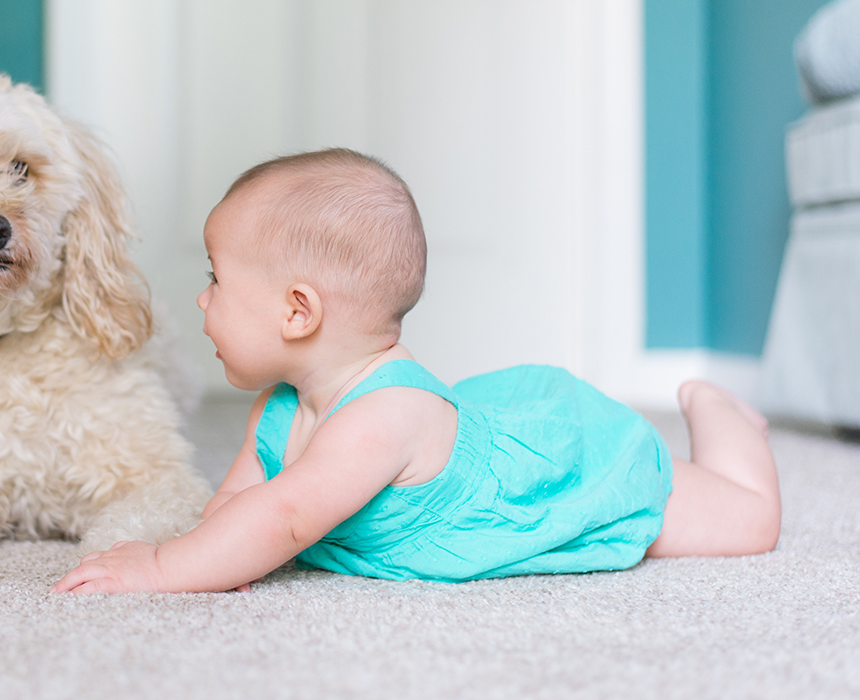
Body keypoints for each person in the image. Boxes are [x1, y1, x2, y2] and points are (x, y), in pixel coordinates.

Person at [51, 148, 781, 594]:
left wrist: (160, 569)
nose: (202, 299)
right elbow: (240, 508)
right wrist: (206, 555)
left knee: (749, 523)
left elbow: (283, 517)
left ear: (297, 312)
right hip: (477, 426)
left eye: (217, 281)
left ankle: (720, 413)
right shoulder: (279, 407)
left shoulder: (380, 419)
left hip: (559, 467)